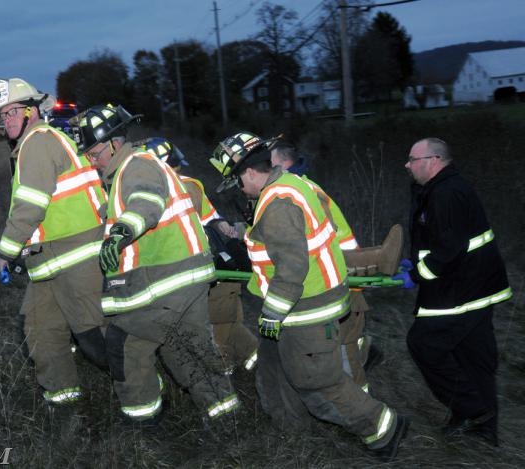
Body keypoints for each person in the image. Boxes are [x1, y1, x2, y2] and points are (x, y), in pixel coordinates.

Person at [210, 132, 408, 460]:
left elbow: (291, 267)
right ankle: (292, 434)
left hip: (305, 311)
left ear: (248, 173)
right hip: (289, 309)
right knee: (273, 373)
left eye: (236, 183)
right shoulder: (289, 186)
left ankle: (383, 428)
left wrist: (272, 313)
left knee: (317, 382)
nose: (239, 191)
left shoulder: (278, 202)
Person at [77, 104, 239, 424]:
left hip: (163, 282)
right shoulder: (135, 168)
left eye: (94, 153)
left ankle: (143, 428)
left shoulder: (136, 166)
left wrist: (121, 232)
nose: (92, 161)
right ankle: (227, 419)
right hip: (184, 278)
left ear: (114, 143)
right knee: (185, 351)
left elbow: (147, 202)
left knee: (126, 346)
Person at [0, 78, 109, 406]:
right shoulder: (30, 144)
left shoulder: (38, 142)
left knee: (96, 339)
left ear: (33, 111)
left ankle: (146, 390)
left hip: (76, 258)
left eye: (12, 111)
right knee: (40, 331)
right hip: (47, 262)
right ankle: (65, 404)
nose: (6, 119)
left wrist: (4, 254)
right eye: (2, 115)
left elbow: (29, 207)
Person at [394, 137, 512, 446]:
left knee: (422, 343)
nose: (407, 165)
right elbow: (440, 240)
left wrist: (417, 274)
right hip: (470, 286)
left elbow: (449, 249)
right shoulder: (439, 189)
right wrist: (416, 262)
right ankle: (482, 431)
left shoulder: (447, 193)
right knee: (473, 356)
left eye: (412, 159)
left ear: (433, 160)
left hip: (462, 290)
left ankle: (474, 411)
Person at [270, 139, 403, 389]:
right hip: (339, 279)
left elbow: (314, 240)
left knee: (344, 354)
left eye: (270, 164)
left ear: (284, 164)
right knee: (346, 346)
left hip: (341, 280)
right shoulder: (299, 188)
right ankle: (365, 357)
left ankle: (364, 412)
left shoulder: (299, 191)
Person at [142, 137, 258, 374]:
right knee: (227, 323)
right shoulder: (190, 185)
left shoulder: (159, 190)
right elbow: (213, 220)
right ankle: (256, 366)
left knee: (216, 327)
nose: (178, 171)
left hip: (201, 272)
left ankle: (226, 375)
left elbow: (209, 221)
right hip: (214, 270)